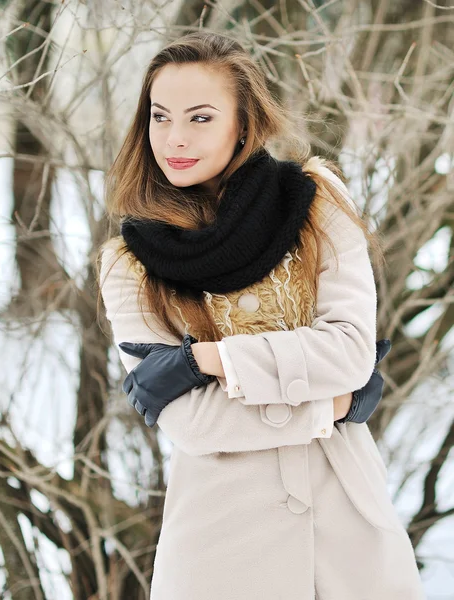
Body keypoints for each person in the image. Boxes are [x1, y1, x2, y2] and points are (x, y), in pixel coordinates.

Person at [98, 31, 425, 600]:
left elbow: (349, 351)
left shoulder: (317, 202)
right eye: (160, 116)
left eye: (200, 117)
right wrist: (328, 406)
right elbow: (194, 422)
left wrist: (211, 358)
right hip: (221, 541)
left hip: (349, 523)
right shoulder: (128, 264)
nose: (174, 138)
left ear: (243, 123)